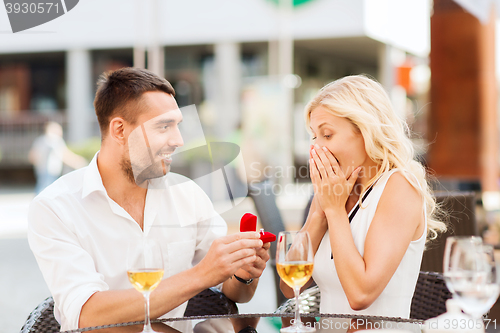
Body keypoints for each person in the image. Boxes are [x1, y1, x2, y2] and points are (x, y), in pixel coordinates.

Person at [28, 67, 270, 332]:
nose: (178, 141)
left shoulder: (186, 194)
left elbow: (234, 294)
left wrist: (242, 274)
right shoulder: (55, 208)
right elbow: (86, 314)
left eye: (177, 126)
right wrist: (201, 275)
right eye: (163, 127)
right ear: (120, 130)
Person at [280, 75, 446, 318]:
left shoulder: (398, 187)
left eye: (327, 135)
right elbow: (289, 286)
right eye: (314, 136)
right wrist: (319, 212)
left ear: (365, 132)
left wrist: (335, 211)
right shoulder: (334, 191)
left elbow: (361, 296)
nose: (316, 148)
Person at [28, 121, 87, 194]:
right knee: (46, 191)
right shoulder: (55, 140)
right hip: (51, 171)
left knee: (42, 190)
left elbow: (32, 157)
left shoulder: (40, 140)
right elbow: (65, 155)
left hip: (41, 171)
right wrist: (78, 162)